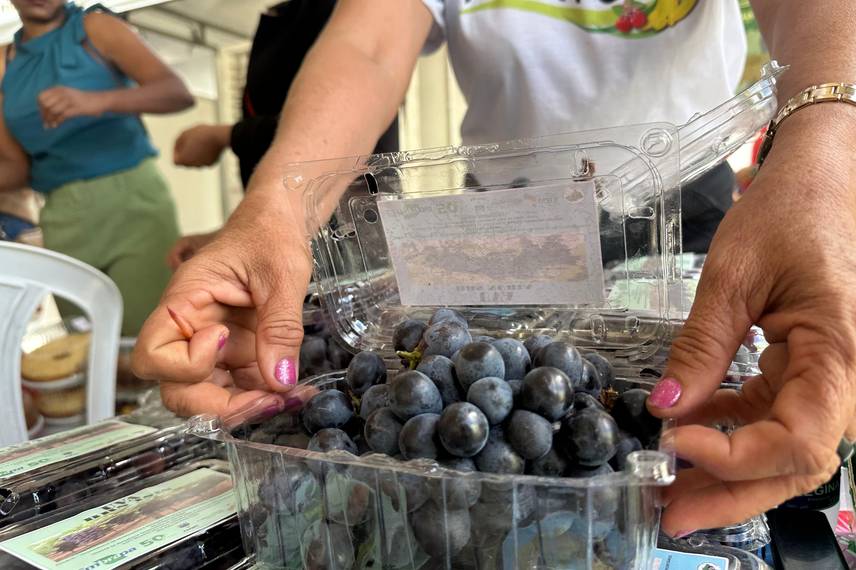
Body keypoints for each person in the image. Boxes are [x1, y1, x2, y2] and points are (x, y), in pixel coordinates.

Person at [133, 0, 856, 536]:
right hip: (501, 236)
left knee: (690, 424)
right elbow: (367, 46)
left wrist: (826, 149)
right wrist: (275, 211)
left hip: (685, 220)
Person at [0, 0, 193, 336]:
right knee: (86, 347)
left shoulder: (96, 28)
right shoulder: (4, 63)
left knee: (150, 337)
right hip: (60, 216)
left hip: (133, 202)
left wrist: (97, 101)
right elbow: (17, 169)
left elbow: (177, 92)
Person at [167, 0, 399, 270]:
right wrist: (229, 233)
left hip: (345, 234)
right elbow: (286, 174)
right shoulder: (287, 17)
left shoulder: (335, 12)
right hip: (311, 236)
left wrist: (224, 136)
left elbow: (340, 121)